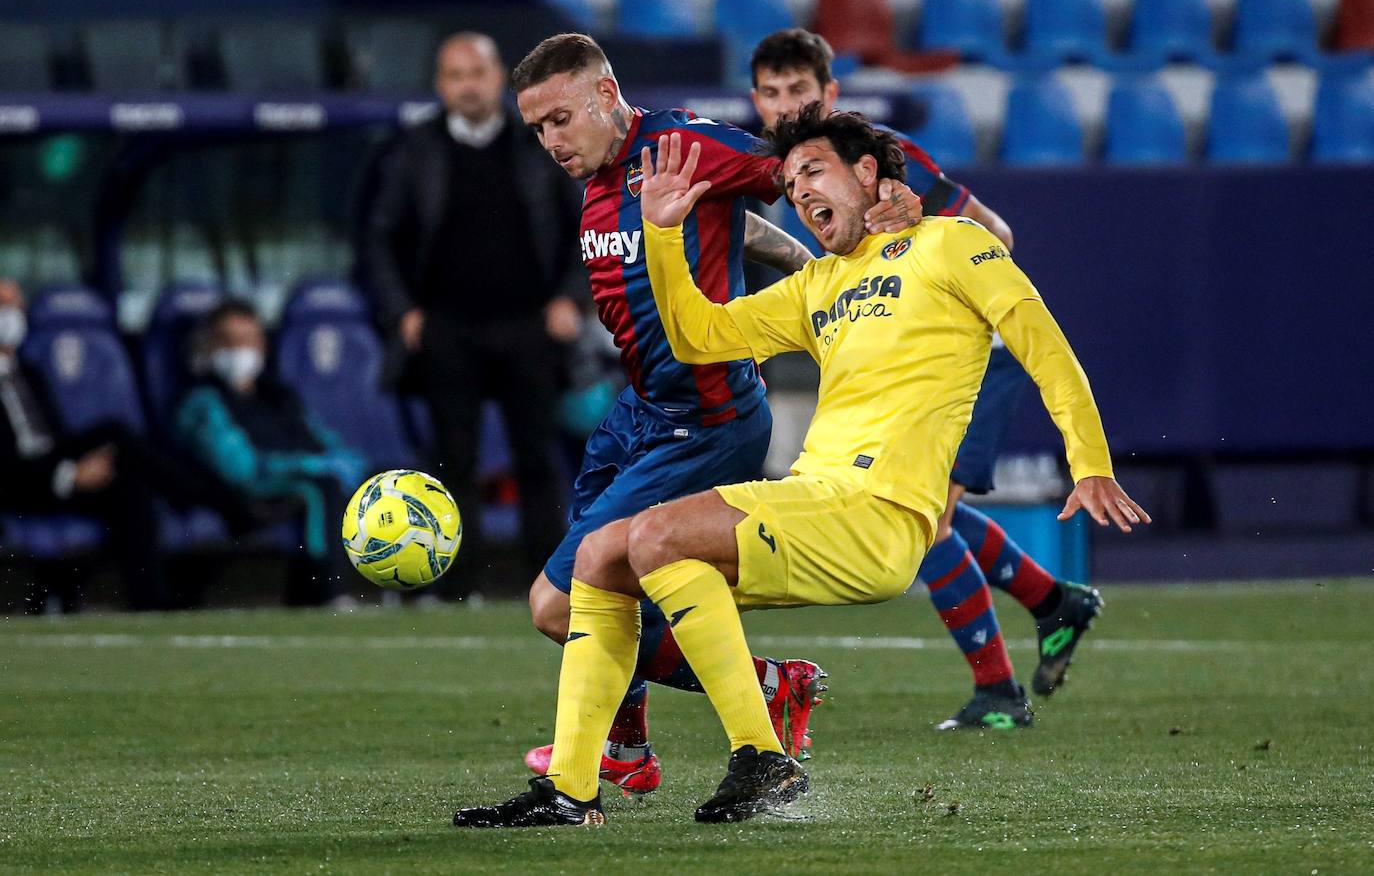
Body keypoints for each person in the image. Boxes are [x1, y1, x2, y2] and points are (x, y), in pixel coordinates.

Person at [452, 113, 1148, 828]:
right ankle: (573, 791)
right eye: (788, 183)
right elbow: (696, 337)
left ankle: (759, 753)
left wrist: (1089, 463)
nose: (798, 191)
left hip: (882, 513)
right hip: (818, 500)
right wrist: (662, 234)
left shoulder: (952, 245)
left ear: (869, 175)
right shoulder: (817, 284)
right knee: (602, 556)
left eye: (813, 171)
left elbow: (1046, 347)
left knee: (655, 536)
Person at [509, 33, 923, 795]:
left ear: (606, 95)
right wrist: (797, 261)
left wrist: (882, 195)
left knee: (558, 601)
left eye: (560, 119)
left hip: (707, 416)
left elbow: (794, 164)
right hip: (640, 408)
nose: (551, 141)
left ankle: (766, 688)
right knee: (601, 585)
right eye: (537, 129)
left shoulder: (679, 144)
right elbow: (731, 221)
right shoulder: (603, 174)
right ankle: (626, 748)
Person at [750, 28, 1103, 727]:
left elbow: (996, 236)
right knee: (913, 505)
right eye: (772, 92)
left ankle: (999, 692)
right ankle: (1052, 601)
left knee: (926, 519)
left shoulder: (885, 159)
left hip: (966, 355)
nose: (785, 103)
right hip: (890, 357)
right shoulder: (780, 172)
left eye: (800, 90)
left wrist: (919, 214)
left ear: (833, 94)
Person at [362, 32, 583, 593]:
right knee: (452, 462)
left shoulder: (539, 144)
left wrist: (570, 298)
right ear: (441, 86)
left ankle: (551, 582)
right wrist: (402, 314)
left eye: (477, 73)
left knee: (538, 456)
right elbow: (379, 238)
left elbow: (587, 223)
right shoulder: (413, 150)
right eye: (455, 76)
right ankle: (457, 587)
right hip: (446, 328)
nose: (468, 86)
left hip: (528, 324)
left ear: (498, 78)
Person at [0, 280, 252, 612]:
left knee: (127, 478)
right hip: (18, 483)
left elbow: (54, 440)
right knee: (119, 438)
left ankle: (151, 601)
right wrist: (70, 475)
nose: (12, 315)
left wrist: (77, 466)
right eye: (3, 307)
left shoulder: (28, 371)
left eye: (16, 306)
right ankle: (215, 499)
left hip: (49, 466)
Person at [175, 300, 366, 608]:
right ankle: (329, 591)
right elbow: (238, 468)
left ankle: (421, 585)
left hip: (302, 476)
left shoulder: (279, 395)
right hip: (243, 495)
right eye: (229, 342)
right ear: (209, 347)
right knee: (321, 487)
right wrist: (308, 465)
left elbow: (324, 440)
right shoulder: (202, 401)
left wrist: (341, 463)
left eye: (249, 340)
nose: (241, 350)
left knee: (387, 479)